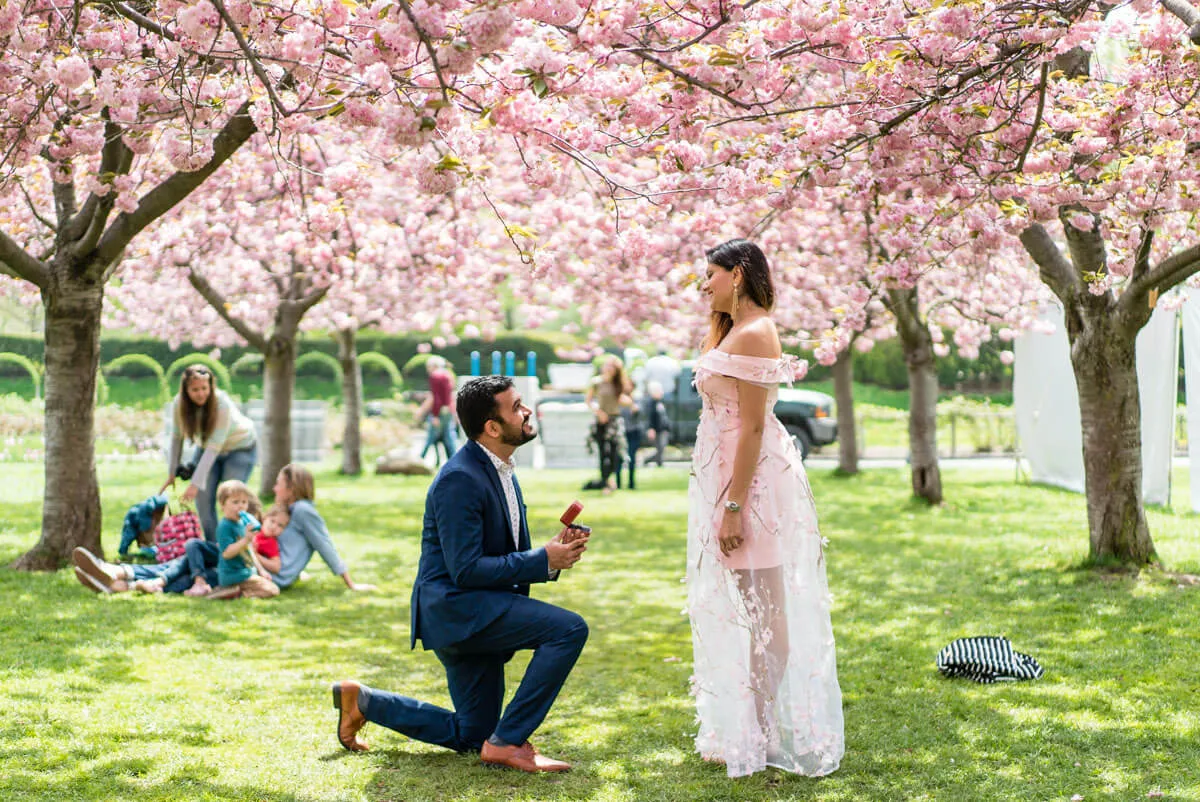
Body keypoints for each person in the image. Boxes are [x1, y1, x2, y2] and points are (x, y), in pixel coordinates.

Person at [330, 376, 590, 773]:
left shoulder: (499, 467)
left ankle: (363, 701)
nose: (527, 411)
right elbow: (466, 570)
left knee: (473, 734)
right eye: (518, 406)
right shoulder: (459, 479)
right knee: (568, 629)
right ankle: (509, 742)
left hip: (476, 607)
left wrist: (551, 558)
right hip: (459, 611)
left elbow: (499, 554)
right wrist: (543, 560)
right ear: (492, 427)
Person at [687, 239, 843, 778]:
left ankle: (757, 735)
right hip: (730, 479)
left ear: (738, 273)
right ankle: (753, 727)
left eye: (711, 273)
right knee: (754, 612)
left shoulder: (757, 332)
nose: (703, 284)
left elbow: (753, 426)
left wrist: (733, 504)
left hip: (751, 486)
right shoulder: (733, 331)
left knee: (769, 618)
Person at [167, 364, 258, 542]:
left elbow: (213, 448)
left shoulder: (221, 403)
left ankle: (246, 544)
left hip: (239, 448)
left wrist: (194, 484)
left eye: (204, 388)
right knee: (203, 499)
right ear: (186, 391)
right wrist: (171, 473)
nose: (201, 393)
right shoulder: (179, 404)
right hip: (208, 448)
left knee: (233, 499)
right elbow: (177, 437)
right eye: (195, 390)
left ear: (211, 386)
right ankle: (214, 548)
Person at [271, 463, 375, 591]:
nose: (274, 489)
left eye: (278, 484)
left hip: (277, 575)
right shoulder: (290, 510)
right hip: (272, 569)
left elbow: (324, 545)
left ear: (291, 488)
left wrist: (351, 584)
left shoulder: (303, 511)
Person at [209, 479, 280, 599]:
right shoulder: (224, 526)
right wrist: (245, 540)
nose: (241, 506)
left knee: (271, 587)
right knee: (273, 590)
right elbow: (226, 553)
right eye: (235, 502)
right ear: (222, 505)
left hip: (246, 573)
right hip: (234, 575)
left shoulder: (242, 523)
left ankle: (231, 591)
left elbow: (249, 550)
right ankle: (237, 593)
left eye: (244, 502)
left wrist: (261, 570)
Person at [584, 355, 632, 494]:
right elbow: (589, 401)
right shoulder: (596, 382)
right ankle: (606, 482)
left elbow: (626, 399)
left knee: (615, 453)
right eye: (608, 365)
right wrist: (599, 412)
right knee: (603, 452)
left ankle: (610, 480)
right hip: (601, 421)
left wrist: (627, 402)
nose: (609, 368)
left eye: (613, 367)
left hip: (615, 421)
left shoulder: (619, 383)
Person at [417, 355, 458, 465]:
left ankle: (420, 459)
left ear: (433, 366)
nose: (427, 369)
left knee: (431, 435)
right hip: (448, 410)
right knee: (448, 436)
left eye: (428, 366)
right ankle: (455, 460)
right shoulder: (447, 375)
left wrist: (435, 415)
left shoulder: (436, 376)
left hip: (440, 411)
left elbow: (437, 398)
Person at [642, 381, 670, 468]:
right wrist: (651, 429)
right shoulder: (651, 404)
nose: (661, 392)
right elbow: (650, 417)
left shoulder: (660, 402)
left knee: (661, 448)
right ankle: (656, 462)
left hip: (663, 429)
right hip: (657, 430)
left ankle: (655, 461)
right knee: (660, 447)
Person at [619, 401, 644, 490]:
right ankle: (618, 483)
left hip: (633, 432)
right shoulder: (618, 399)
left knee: (632, 458)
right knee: (619, 458)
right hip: (620, 432)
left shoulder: (634, 400)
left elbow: (639, 411)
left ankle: (631, 483)